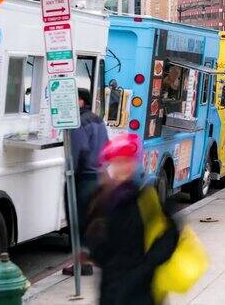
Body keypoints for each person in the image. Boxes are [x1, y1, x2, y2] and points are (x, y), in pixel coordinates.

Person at [86, 134, 178, 305]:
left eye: (127, 161)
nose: (123, 167)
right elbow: (97, 246)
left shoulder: (146, 197)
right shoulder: (102, 200)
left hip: (140, 291)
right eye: (118, 161)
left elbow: (170, 233)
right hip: (112, 289)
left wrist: (148, 265)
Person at [63, 88, 109, 276]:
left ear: (81, 102)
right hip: (98, 177)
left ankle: (81, 265)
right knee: (90, 221)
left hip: (83, 179)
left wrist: (70, 173)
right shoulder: (98, 120)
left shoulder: (79, 122)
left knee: (77, 221)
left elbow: (77, 151)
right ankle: (90, 260)